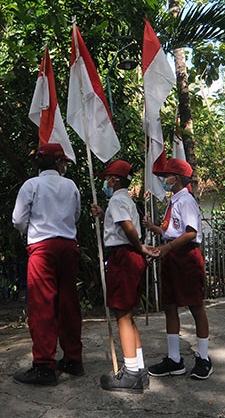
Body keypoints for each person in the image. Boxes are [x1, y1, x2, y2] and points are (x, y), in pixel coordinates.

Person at [11, 143, 83, 386]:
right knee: (68, 303)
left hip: (42, 248)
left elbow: (18, 220)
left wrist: (31, 231)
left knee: (42, 306)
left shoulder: (31, 185)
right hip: (67, 246)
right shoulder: (71, 185)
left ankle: (44, 365)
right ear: (58, 162)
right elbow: (76, 215)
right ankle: (73, 359)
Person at [144, 158, 213, 380]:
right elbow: (172, 230)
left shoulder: (187, 201)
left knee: (195, 305)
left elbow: (191, 232)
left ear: (178, 178)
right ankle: (174, 360)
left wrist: (167, 248)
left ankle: (204, 358)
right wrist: (157, 236)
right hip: (172, 255)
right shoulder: (173, 201)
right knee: (170, 306)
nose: (164, 180)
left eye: (167, 176)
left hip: (186, 256)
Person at [91, 160, 151, 393]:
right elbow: (120, 222)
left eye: (107, 178)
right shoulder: (125, 200)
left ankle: (131, 373)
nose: (105, 182)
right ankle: (139, 367)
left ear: (115, 180)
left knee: (122, 315)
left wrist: (140, 246)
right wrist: (105, 214)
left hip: (123, 256)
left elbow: (126, 227)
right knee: (128, 314)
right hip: (129, 256)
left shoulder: (117, 199)